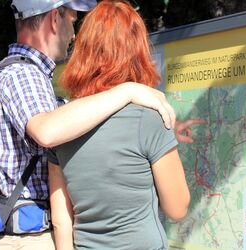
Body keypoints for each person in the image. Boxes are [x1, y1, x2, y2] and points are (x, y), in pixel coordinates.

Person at [0, 0, 176, 249]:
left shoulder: (12, 74)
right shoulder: (23, 75)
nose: (75, 32)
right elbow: (47, 132)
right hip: (29, 240)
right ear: (54, 19)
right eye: (72, 18)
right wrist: (127, 90)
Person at [47, 1, 190, 249]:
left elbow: (61, 219)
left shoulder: (63, 124)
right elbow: (177, 208)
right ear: (138, 51)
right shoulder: (150, 119)